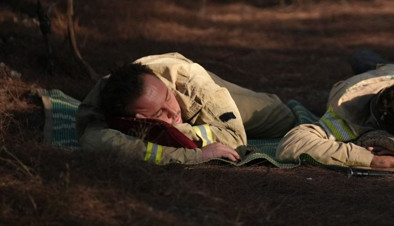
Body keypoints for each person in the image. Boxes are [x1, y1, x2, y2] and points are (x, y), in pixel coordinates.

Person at [76, 52, 297, 164]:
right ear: (135, 119)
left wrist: (178, 131)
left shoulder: (189, 79)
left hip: (199, 91)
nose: (173, 112)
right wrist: (198, 156)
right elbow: (95, 142)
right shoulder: (97, 110)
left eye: (167, 97)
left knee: (281, 116)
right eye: (158, 113)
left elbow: (235, 140)